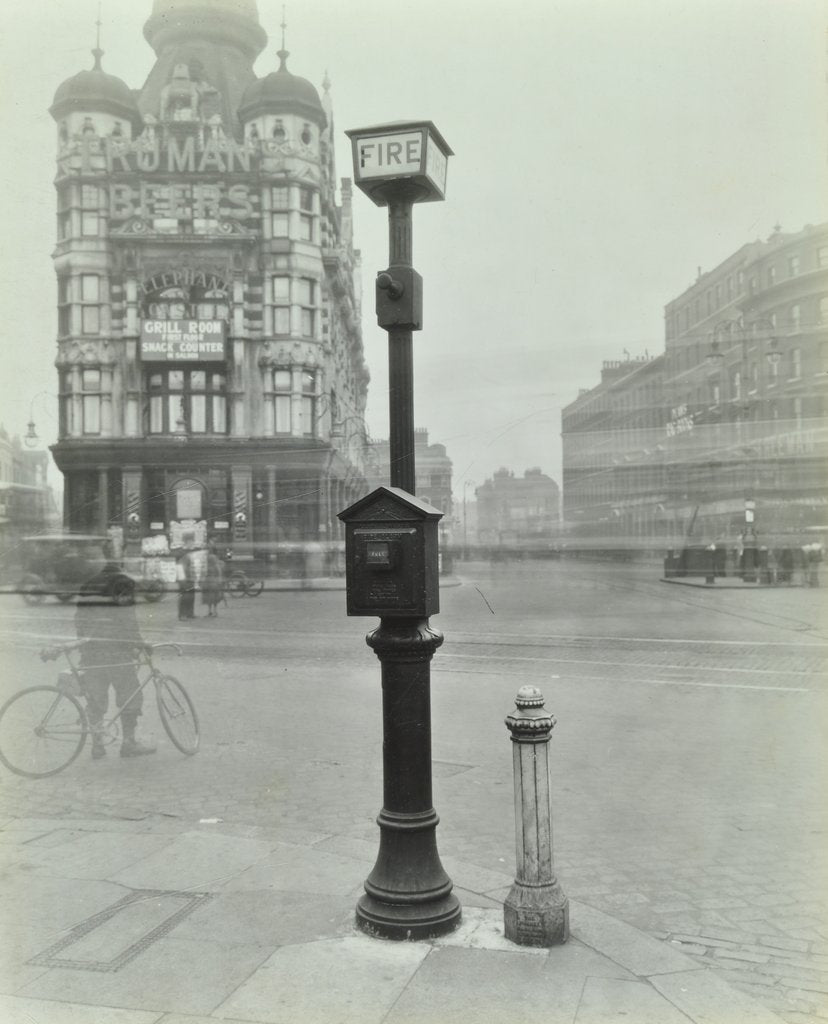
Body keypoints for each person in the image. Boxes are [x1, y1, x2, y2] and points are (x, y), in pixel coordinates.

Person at [73, 566, 156, 759]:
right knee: (130, 695)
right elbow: (127, 621)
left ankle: (97, 746)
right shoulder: (123, 584)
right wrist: (140, 644)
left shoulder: (88, 584)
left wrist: (85, 642)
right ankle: (128, 743)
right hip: (117, 654)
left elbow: (79, 618)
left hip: (92, 653)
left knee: (95, 699)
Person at [201, 544, 223, 617]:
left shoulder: (212, 557)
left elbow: (218, 568)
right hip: (207, 580)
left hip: (212, 579)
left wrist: (219, 578)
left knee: (213, 596)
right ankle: (210, 611)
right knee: (208, 596)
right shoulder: (204, 558)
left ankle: (214, 611)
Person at [177, 548, 197, 620]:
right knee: (184, 599)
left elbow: (192, 570)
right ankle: (182, 615)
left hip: (190, 582)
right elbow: (181, 574)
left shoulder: (188, 559)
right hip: (185, 583)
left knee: (191, 598)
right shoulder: (181, 561)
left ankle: (190, 613)